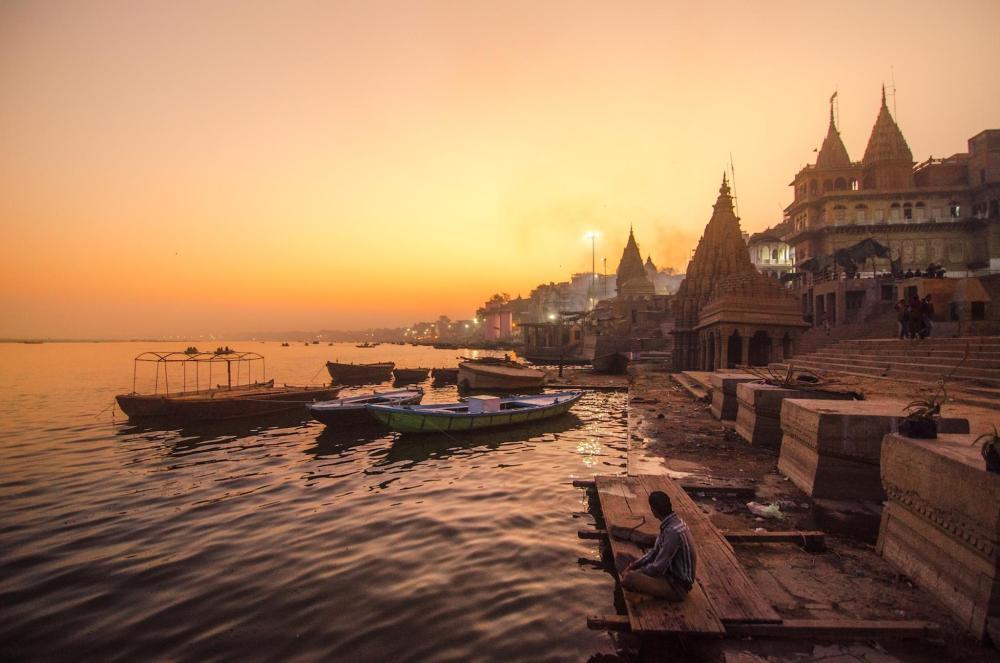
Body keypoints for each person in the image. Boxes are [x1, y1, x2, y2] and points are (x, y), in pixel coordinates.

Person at [617, 491, 697, 602]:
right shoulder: (672, 523)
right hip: (666, 574)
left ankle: (645, 588)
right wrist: (634, 565)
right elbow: (654, 552)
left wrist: (637, 572)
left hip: (677, 586)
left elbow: (658, 567)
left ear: (653, 510)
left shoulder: (672, 532)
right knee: (621, 558)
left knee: (630, 578)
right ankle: (642, 584)